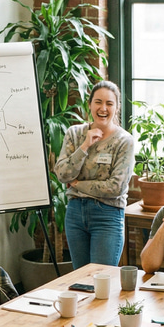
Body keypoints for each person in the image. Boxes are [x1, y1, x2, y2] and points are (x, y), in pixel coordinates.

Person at [54, 81, 135, 268]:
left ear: (116, 108)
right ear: (89, 104)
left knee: (101, 279)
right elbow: (62, 174)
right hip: (75, 213)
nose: (103, 108)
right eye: (98, 102)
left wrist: (77, 184)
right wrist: (84, 146)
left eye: (109, 103)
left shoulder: (124, 141)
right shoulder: (74, 134)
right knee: (80, 279)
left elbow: (115, 187)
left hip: (107, 215)